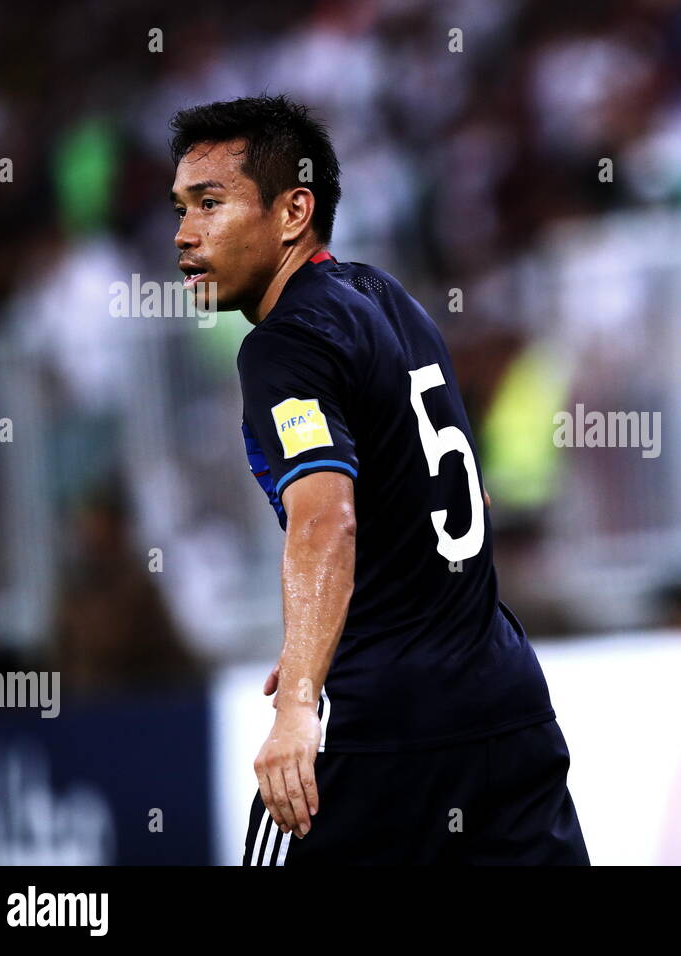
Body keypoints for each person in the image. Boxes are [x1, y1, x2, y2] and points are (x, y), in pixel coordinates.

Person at [167, 94, 588, 865]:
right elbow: (458, 493)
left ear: (293, 211)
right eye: (181, 208)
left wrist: (299, 704)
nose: (183, 235)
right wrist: (317, 635)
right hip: (506, 704)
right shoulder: (388, 299)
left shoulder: (283, 345)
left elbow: (327, 521)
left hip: (389, 731)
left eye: (210, 204)